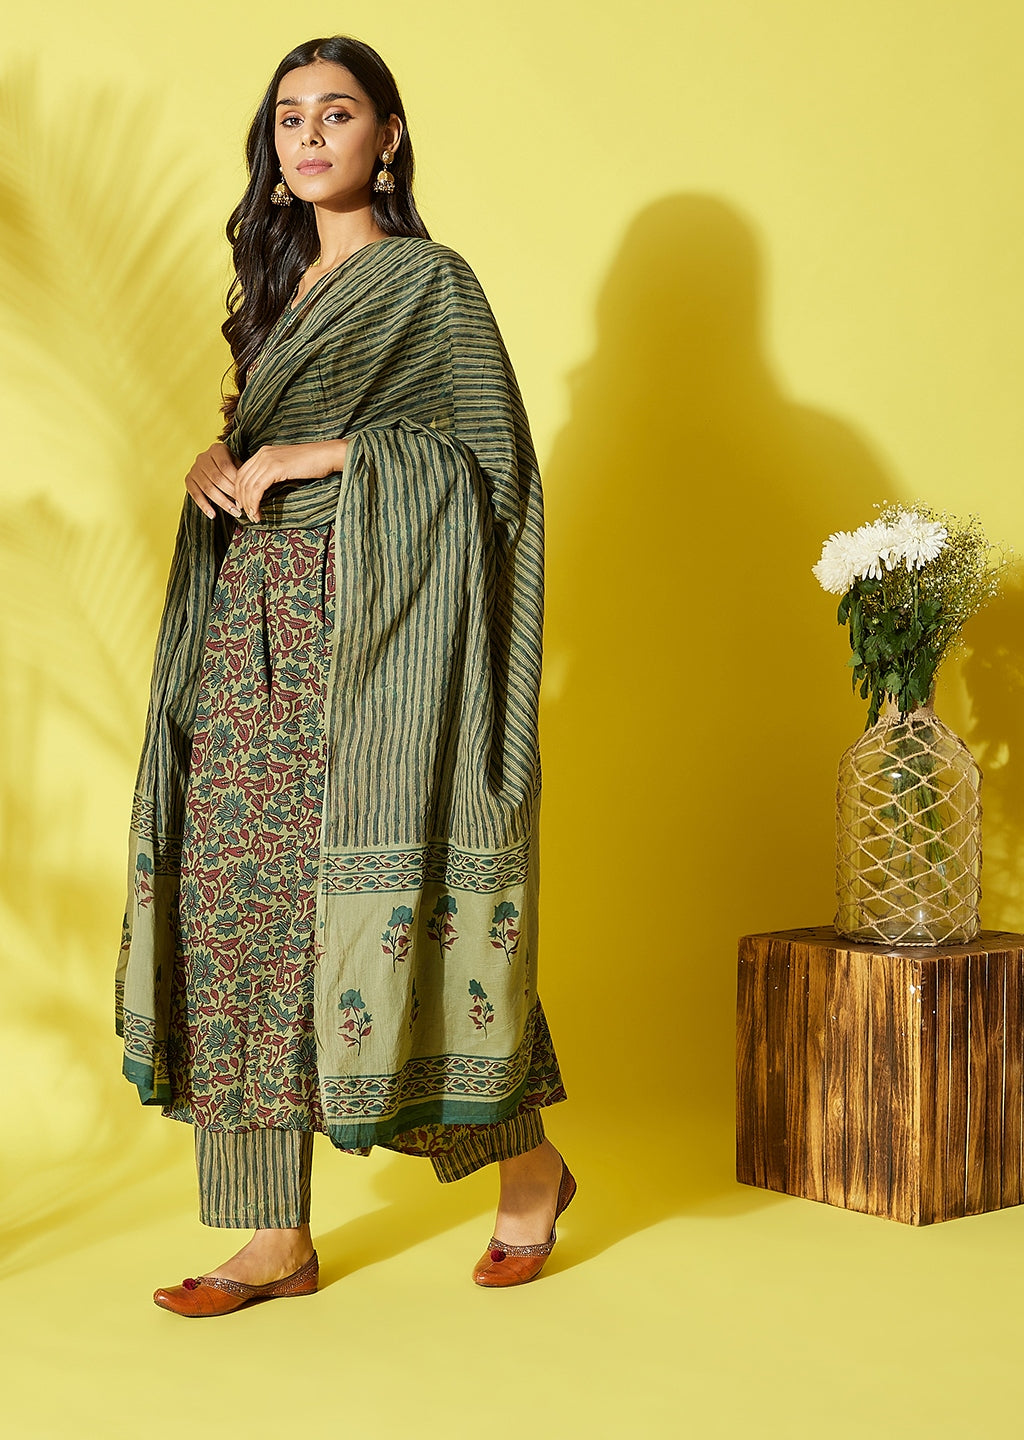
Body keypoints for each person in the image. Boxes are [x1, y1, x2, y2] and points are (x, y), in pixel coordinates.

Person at [114, 34, 574, 1318]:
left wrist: (324, 457)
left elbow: (489, 468)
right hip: (252, 630)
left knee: (395, 915)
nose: (310, 136)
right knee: (240, 909)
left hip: (378, 642)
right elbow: (263, 445)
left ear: (387, 136)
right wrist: (220, 460)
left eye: (337, 112)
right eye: (290, 117)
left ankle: (528, 1169)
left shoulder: (429, 282)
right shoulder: (275, 293)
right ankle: (272, 1237)